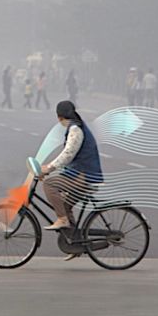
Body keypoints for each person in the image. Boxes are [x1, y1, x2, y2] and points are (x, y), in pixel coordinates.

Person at [40, 101, 104, 260]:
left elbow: (68, 154)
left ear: (60, 116)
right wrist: (49, 167)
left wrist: (49, 168)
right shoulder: (75, 126)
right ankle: (75, 244)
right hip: (80, 174)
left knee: (49, 184)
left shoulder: (76, 129)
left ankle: (61, 219)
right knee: (65, 206)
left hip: (84, 176)